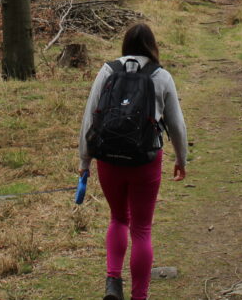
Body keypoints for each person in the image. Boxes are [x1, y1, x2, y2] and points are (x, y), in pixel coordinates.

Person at [79, 23, 188, 300]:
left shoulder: (107, 71)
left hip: (108, 159)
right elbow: (176, 124)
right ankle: (139, 296)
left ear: (125, 44)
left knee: (118, 218)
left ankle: (113, 281)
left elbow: (90, 118)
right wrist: (181, 158)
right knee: (141, 228)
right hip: (145, 161)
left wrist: (85, 161)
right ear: (153, 46)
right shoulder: (161, 76)